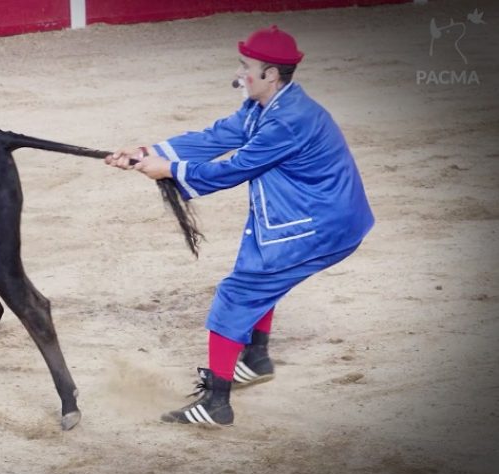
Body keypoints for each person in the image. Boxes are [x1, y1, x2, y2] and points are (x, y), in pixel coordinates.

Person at [105, 25, 374, 426]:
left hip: (321, 223)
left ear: (271, 74)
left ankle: (216, 403)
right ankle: (257, 357)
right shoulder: (265, 106)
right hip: (310, 213)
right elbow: (219, 137)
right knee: (257, 268)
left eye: (246, 67)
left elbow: (236, 167)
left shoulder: (288, 120)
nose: (238, 75)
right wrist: (149, 151)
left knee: (237, 292)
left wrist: (168, 170)